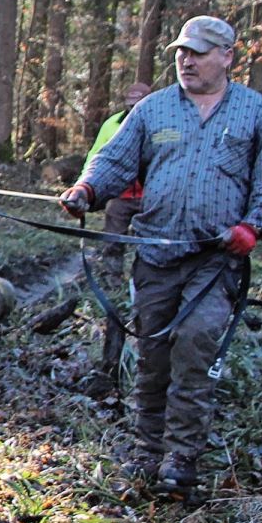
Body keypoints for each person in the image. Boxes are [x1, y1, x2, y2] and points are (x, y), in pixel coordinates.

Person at [59, 16, 262, 504]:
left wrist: (254, 225)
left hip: (215, 261)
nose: (187, 59)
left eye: (200, 51)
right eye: (182, 51)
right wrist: (86, 189)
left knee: (195, 345)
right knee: (153, 355)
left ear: (228, 55)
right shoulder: (154, 108)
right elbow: (114, 160)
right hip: (156, 253)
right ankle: (148, 453)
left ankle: (181, 460)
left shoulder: (254, 112)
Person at [86, 80, 152, 384]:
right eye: (130, 96)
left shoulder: (161, 120)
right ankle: (113, 276)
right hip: (120, 197)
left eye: (140, 97)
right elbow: (99, 156)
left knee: (149, 249)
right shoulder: (112, 124)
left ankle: (144, 284)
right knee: (111, 241)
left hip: (151, 199)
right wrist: (85, 188)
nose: (134, 101)